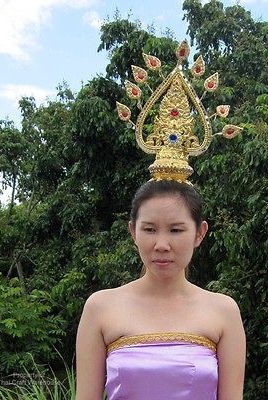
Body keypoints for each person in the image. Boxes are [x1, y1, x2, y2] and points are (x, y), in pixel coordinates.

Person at [75, 40, 246, 399]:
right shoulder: (101, 307)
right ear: (132, 232)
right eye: (149, 229)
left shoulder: (223, 311)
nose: (161, 244)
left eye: (176, 229)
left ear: (200, 233)